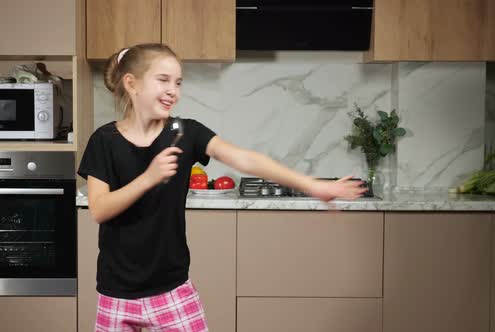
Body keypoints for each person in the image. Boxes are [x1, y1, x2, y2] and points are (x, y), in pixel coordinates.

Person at [78, 43, 367, 332]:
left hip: (172, 289)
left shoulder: (185, 133)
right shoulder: (105, 140)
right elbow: (100, 209)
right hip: (116, 293)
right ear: (132, 83)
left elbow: (244, 158)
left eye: (178, 82)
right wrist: (148, 178)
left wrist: (313, 186)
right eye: (163, 80)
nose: (173, 91)